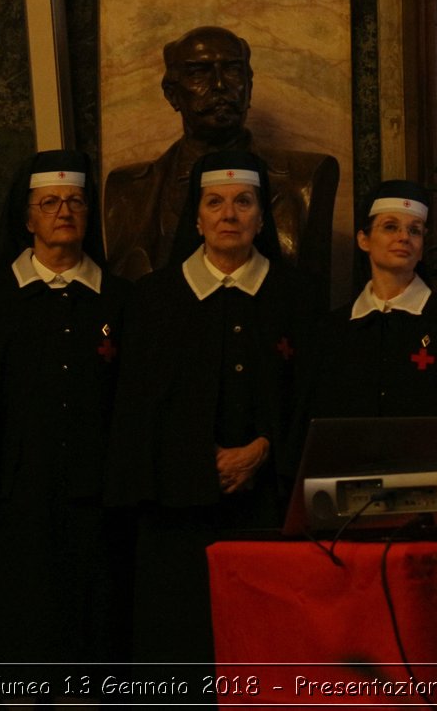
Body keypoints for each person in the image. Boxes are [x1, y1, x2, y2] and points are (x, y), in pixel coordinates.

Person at [106, 149, 313, 664]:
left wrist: (264, 448)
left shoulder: (297, 298)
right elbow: (136, 409)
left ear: (262, 217)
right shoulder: (153, 299)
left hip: (267, 506)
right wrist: (201, 461)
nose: (229, 214)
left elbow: (311, 397)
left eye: (244, 202)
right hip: (176, 514)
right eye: (215, 202)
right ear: (195, 219)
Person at [0, 150, 129, 665]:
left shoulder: (121, 302)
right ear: (27, 219)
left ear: (89, 215)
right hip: (9, 509)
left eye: (75, 201)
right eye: (49, 202)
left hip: (99, 509)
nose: (64, 211)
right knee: (16, 639)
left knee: (92, 642)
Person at [297, 180, 437, 424]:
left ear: (422, 247)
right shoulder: (332, 330)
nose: (404, 237)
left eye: (414, 230)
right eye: (390, 227)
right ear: (364, 240)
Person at [104, 26, 258, 279]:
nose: (220, 85)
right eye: (199, 73)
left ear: (249, 88)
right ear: (172, 94)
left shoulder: (301, 181)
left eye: (232, 70)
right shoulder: (128, 189)